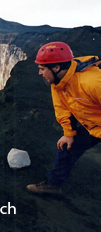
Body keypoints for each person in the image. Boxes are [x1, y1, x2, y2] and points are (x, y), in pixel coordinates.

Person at [27, 41, 101, 195]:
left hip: (96, 122)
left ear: (56, 67)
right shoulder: (58, 82)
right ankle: (53, 185)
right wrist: (69, 134)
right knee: (67, 147)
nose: (39, 73)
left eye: (42, 69)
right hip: (94, 124)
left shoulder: (93, 82)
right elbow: (63, 109)